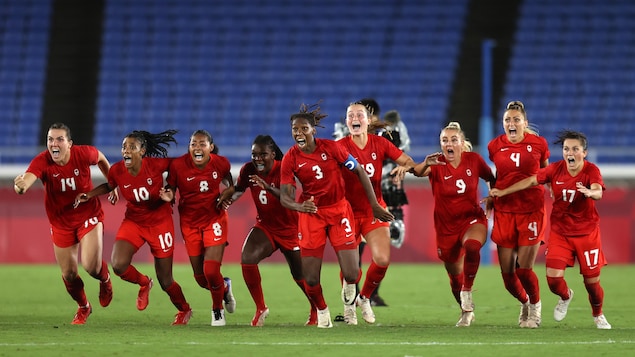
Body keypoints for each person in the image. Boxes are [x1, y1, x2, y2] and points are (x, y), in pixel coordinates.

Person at [279, 102, 394, 328]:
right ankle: (322, 310)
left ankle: (353, 293)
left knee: (352, 273)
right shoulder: (290, 158)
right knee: (310, 278)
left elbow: (359, 170)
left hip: (340, 211)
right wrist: (298, 206)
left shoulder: (332, 149)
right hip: (311, 215)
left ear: (313, 130)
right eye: (295, 129)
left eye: (303, 129)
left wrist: (374, 205)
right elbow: (285, 197)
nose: (299, 133)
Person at [490, 130, 611, 329]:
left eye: (575, 149)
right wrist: (503, 191)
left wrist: (590, 192)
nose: (570, 153)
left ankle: (598, 314)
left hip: (587, 234)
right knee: (553, 281)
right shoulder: (555, 169)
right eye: (566, 149)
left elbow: (598, 190)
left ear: (584, 152)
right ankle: (565, 296)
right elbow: (530, 180)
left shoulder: (591, 171)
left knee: (592, 284)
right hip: (560, 233)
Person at [74, 129, 192, 325]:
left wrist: (171, 190)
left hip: (159, 223)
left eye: (132, 147)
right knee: (118, 264)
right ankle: (144, 282)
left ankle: (184, 309)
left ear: (142, 151)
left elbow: (179, 166)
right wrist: (90, 194)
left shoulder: (155, 165)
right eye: (124, 147)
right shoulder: (117, 170)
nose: (126, 151)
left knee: (166, 280)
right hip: (134, 221)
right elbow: (110, 185)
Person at [13, 123, 117, 325]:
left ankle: (105, 280)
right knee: (69, 274)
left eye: (59, 139)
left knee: (91, 266)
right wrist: (21, 187)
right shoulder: (42, 161)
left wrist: (112, 183)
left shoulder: (84, 153)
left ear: (69, 144)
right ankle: (84, 307)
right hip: (60, 222)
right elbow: (27, 180)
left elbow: (102, 158)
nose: (54, 144)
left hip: (88, 214)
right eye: (50, 139)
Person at [223, 134, 316, 327]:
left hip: (291, 228)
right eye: (254, 154)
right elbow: (240, 188)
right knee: (247, 258)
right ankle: (261, 308)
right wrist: (226, 202)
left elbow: (288, 198)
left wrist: (267, 186)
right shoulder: (248, 169)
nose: (257, 158)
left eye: (262, 154)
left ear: (273, 154)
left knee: (300, 275)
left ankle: (316, 308)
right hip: (266, 226)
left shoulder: (284, 168)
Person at [336, 101, 416, 325]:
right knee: (350, 268)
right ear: (346, 122)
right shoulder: (338, 147)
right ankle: (348, 307)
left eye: (360, 115)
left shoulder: (380, 143)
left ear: (368, 120)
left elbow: (406, 160)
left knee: (382, 260)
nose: (355, 118)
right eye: (350, 115)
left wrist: (406, 166)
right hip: (347, 213)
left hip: (375, 210)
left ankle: (365, 298)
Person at [412, 122, 495, 327]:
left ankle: (468, 290)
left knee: (473, 246)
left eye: (453, 140)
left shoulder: (474, 160)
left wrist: (493, 196)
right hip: (446, 226)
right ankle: (466, 310)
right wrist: (425, 163)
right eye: (444, 140)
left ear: (461, 143)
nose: (448, 144)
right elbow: (417, 172)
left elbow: (491, 178)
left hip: (471, 219)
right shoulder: (436, 163)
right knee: (453, 273)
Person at [162, 130, 236, 326]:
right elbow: (170, 188)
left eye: (202, 144)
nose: (197, 147)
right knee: (201, 278)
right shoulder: (178, 166)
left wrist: (229, 194)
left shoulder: (221, 163)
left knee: (211, 271)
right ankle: (226, 288)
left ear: (210, 147)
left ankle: (217, 311)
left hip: (215, 220)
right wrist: (168, 196)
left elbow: (230, 182)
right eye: (193, 143)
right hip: (190, 224)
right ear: (189, 147)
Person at [487, 100, 550, 328]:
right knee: (507, 276)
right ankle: (524, 301)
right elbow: (496, 176)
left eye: (516, 120)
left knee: (524, 269)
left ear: (524, 122)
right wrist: (491, 196)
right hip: (504, 212)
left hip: (531, 211)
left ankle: (535, 308)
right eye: (507, 120)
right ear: (502, 124)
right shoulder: (494, 146)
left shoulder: (539, 144)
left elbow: (545, 171)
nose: (511, 123)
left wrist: (553, 189)